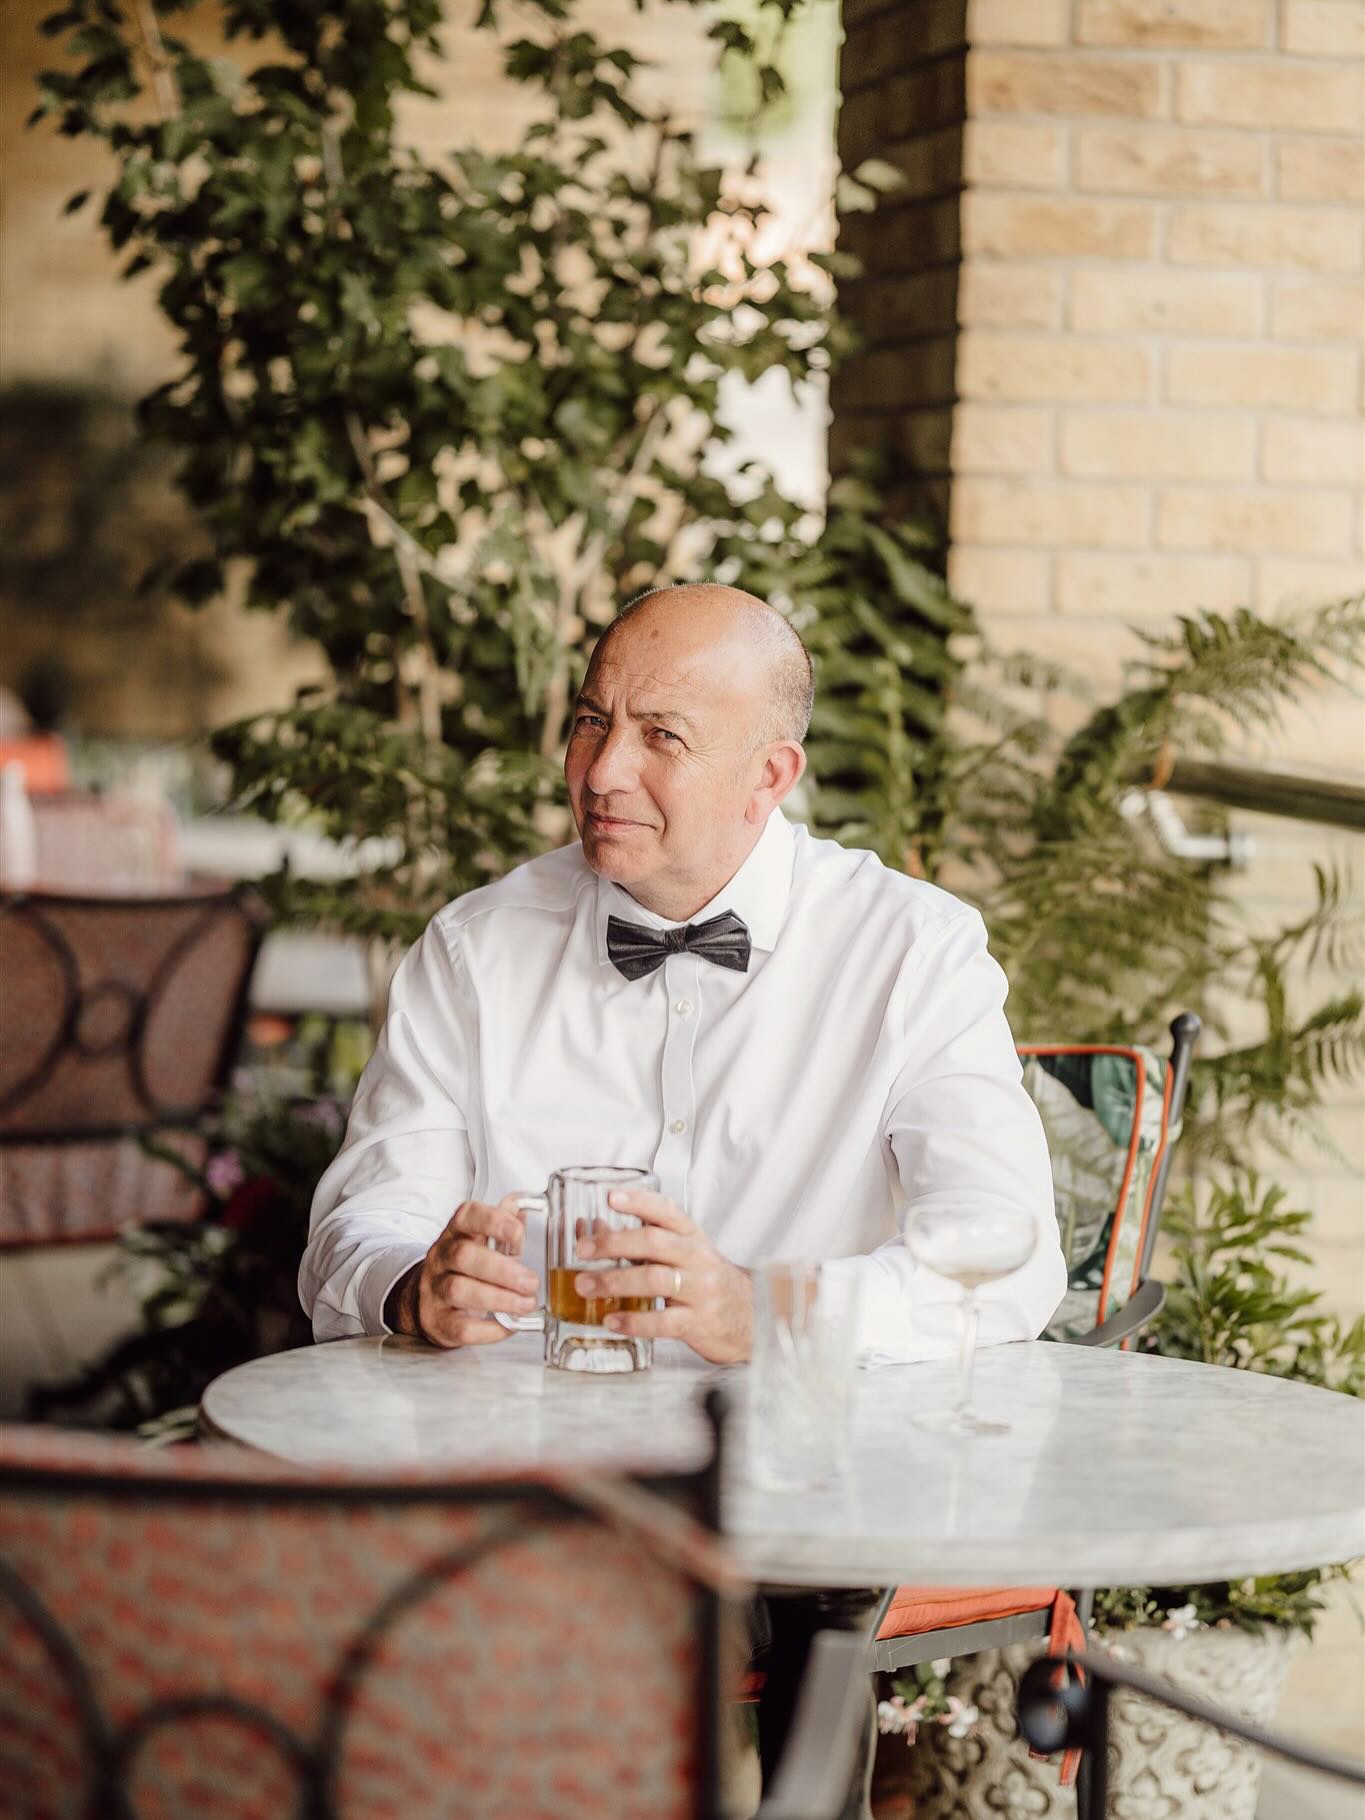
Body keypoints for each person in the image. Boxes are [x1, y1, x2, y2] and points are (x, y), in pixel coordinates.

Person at [301, 583, 1065, 1361]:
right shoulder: (473, 948)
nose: (601, 773)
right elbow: (362, 1222)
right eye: (593, 722)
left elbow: (1008, 1251)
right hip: (518, 1449)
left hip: (809, 1457)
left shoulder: (912, 952)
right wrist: (409, 1288)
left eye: (661, 736)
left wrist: (771, 1312)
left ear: (769, 776)